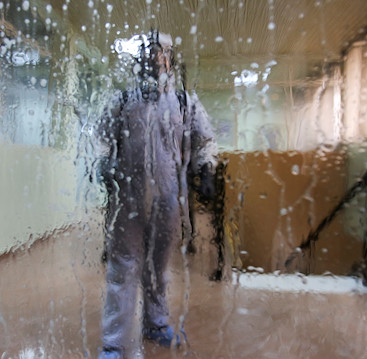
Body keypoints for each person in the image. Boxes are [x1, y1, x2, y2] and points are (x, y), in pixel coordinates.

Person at [96, 31, 218, 358]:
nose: (155, 59)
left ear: (170, 59)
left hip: (168, 198)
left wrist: (206, 171)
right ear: (139, 60)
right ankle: (114, 344)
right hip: (128, 200)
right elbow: (103, 139)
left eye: (161, 53)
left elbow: (204, 142)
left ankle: (156, 323)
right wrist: (104, 165)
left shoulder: (184, 102)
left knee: (158, 266)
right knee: (123, 266)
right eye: (149, 53)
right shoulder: (122, 100)